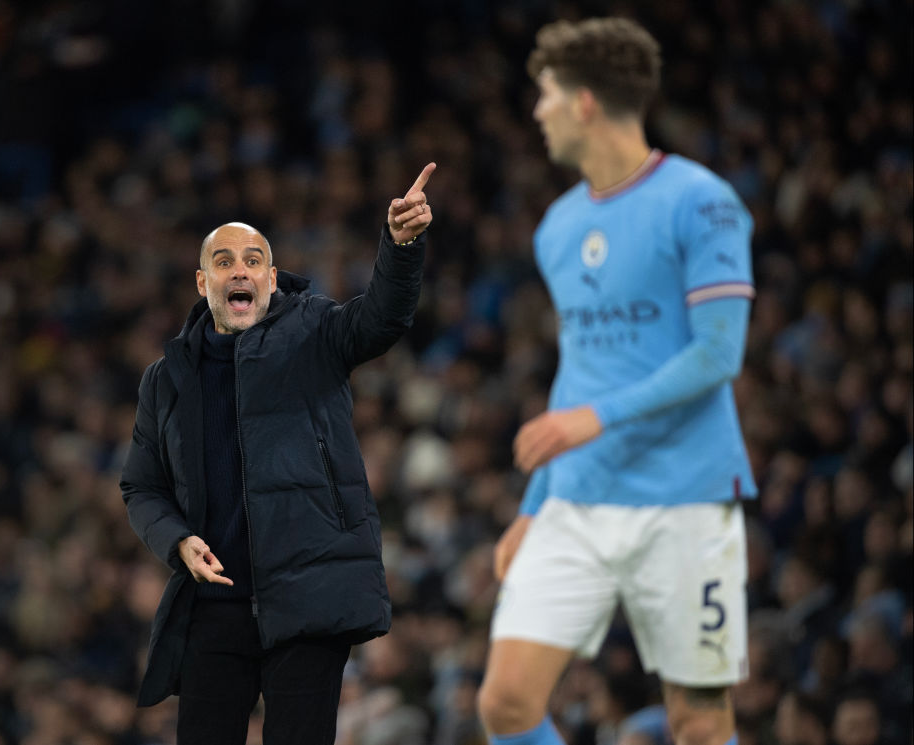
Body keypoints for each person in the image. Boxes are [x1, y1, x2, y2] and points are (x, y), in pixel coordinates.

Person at [477, 18, 756, 745]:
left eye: (545, 96)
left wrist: (596, 418)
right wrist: (536, 502)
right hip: (580, 496)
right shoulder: (557, 228)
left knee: (697, 720)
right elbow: (582, 368)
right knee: (506, 701)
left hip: (687, 494)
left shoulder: (704, 200)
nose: (537, 111)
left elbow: (719, 354)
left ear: (585, 103)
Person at [120, 163, 436, 744]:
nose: (239, 271)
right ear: (201, 283)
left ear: (269, 280)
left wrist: (402, 245)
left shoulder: (315, 330)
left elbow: (382, 318)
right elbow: (141, 487)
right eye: (223, 262)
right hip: (214, 604)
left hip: (308, 592)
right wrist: (176, 540)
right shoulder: (165, 380)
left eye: (253, 261)